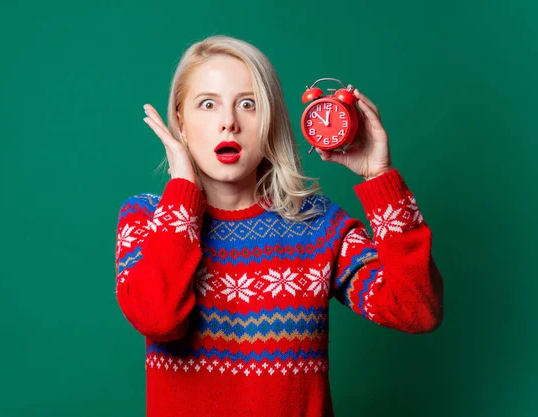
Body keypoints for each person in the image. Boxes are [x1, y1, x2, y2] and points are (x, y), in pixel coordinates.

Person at [114, 34, 444, 417]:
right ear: (181, 123)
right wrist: (183, 191)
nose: (229, 123)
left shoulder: (318, 224)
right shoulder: (147, 219)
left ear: (270, 121)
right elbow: (158, 319)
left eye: (249, 105)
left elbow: (417, 310)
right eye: (208, 104)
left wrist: (379, 179)